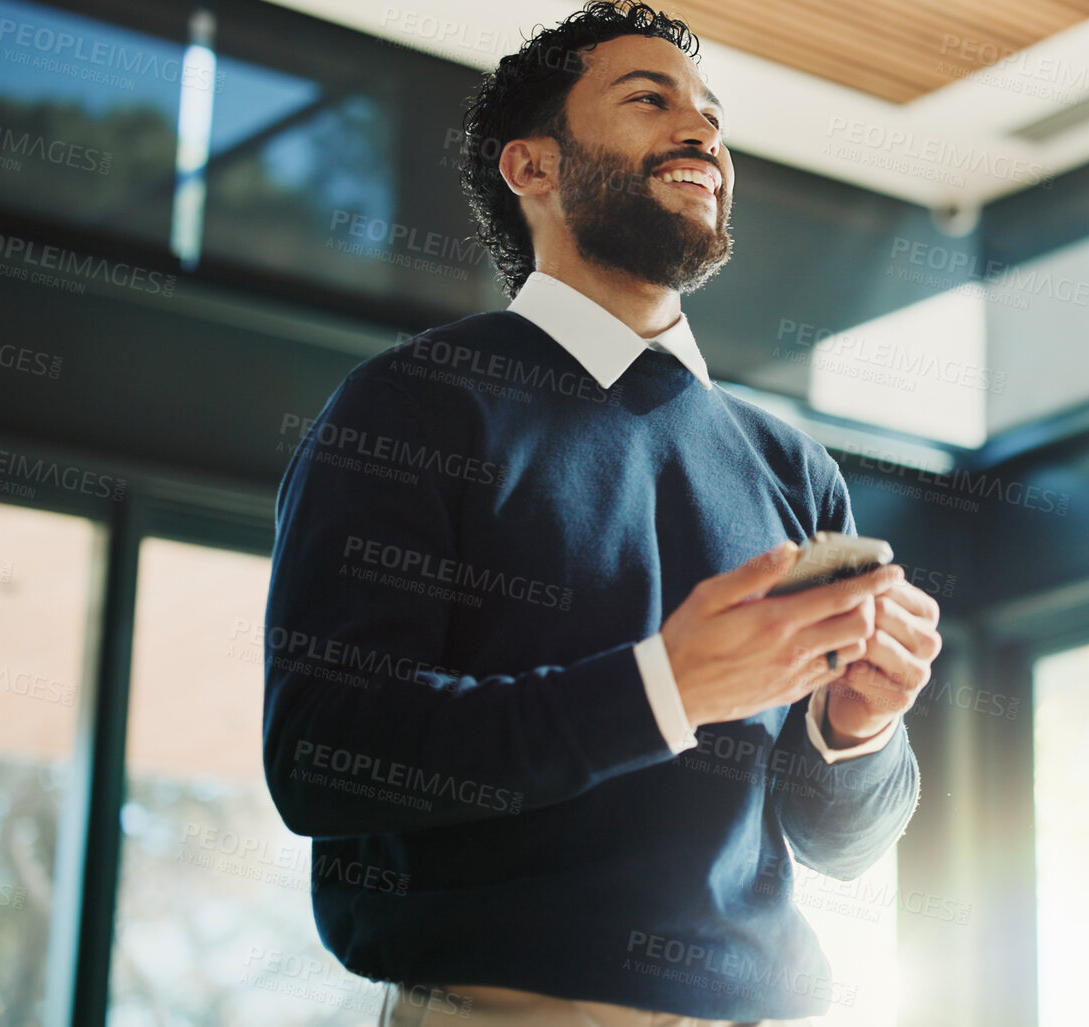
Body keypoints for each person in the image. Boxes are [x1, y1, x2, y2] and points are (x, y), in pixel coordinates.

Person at [259, 4, 938, 1024]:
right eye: (648, 99)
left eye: (712, 115)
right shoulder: (414, 404)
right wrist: (663, 688)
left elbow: (841, 842)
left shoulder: (794, 467)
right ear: (532, 169)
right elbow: (324, 754)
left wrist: (862, 728)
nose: (702, 132)